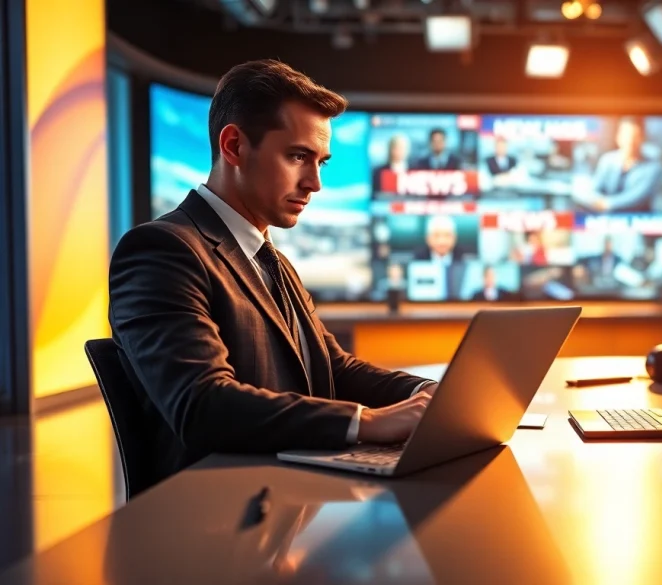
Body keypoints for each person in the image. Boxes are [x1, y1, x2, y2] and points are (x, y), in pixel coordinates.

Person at [108, 60, 437, 481]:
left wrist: (423, 393)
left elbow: (333, 369)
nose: (315, 183)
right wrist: (367, 423)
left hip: (290, 492)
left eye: (322, 162)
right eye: (298, 156)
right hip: (215, 512)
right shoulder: (161, 250)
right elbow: (202, 404)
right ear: (234, 146)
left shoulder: (272, 260)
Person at [579, 117, 661, 212]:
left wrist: (608, 204)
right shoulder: (607, 160)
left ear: (642, 139)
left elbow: (637, 197)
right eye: (627, 136)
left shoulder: (653, 167)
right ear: (618, 138)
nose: (630, 141)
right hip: (605, 220)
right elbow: (594, 188)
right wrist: (594, 200)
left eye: (635, 137)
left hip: (639, 220)